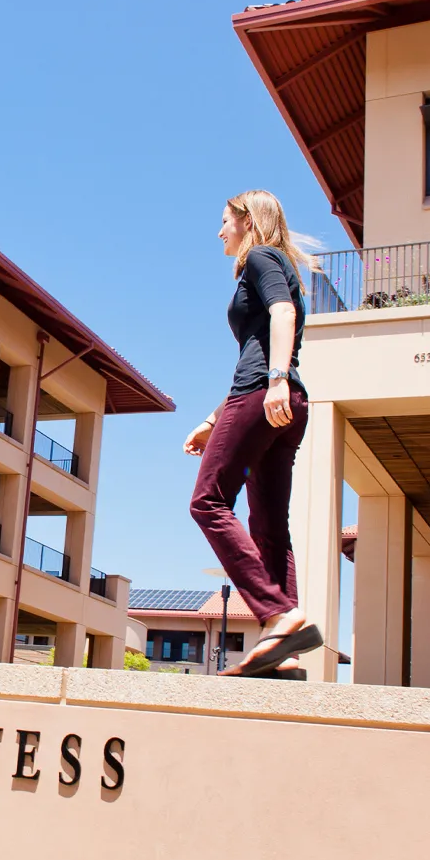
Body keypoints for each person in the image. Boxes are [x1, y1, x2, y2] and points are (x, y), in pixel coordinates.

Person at [185, 190, 321, 678]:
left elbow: (281, 318)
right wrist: (212, 418)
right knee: (269, 527)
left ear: (247, 221)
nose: (220, 231)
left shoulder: (261, 258)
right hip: (278, 401)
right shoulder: (280, 264)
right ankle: (286, 653)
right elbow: (259, 348)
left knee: (208, 502)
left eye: (225, 221)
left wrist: (277, 381)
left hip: (267, 395)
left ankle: (277, 615)